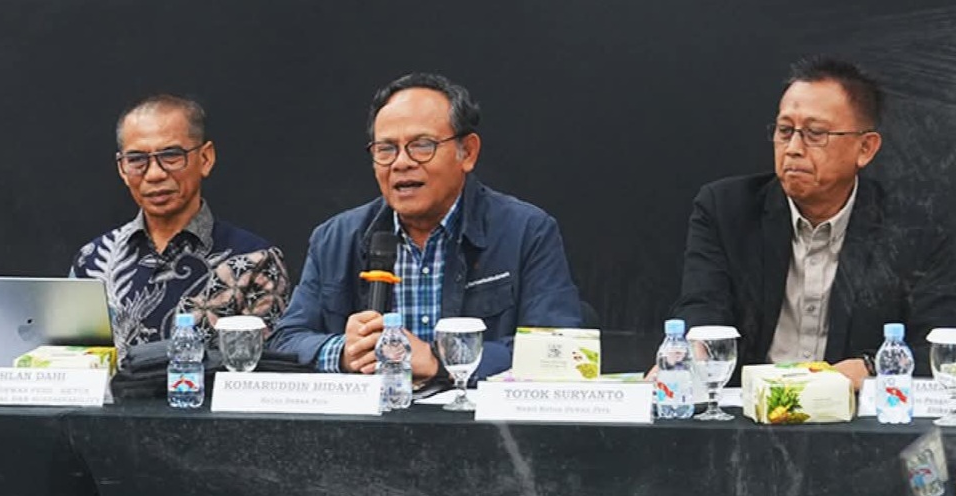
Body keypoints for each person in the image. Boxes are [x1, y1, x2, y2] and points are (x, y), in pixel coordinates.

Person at [268, 72, 581, 381]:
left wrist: (439, 360)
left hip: (476, 414)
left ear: (468, 152)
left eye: (421, 145)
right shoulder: (335, 238)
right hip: (371, 413)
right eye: (386, 149)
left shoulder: (526, 231)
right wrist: (343, 352)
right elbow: (285, 340)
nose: (401, 162)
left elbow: (563, 350)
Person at [673, 57, 956, 387]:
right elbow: (702, 308)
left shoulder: (914, 231)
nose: (793, 149)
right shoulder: (726, 210)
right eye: (785, 131)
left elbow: (943, 346)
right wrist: (691, 355)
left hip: (855, 411)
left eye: (815, 134)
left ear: (865, 148)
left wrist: (871, 368)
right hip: (748, 410)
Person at [71, 95, 289, 359]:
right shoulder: (94, 260)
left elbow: (262, 369)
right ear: (122, 168)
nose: (154, 174)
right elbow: (71, 363)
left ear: (205, 158)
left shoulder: (256, 260)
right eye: (137, 159)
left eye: (171, 156)